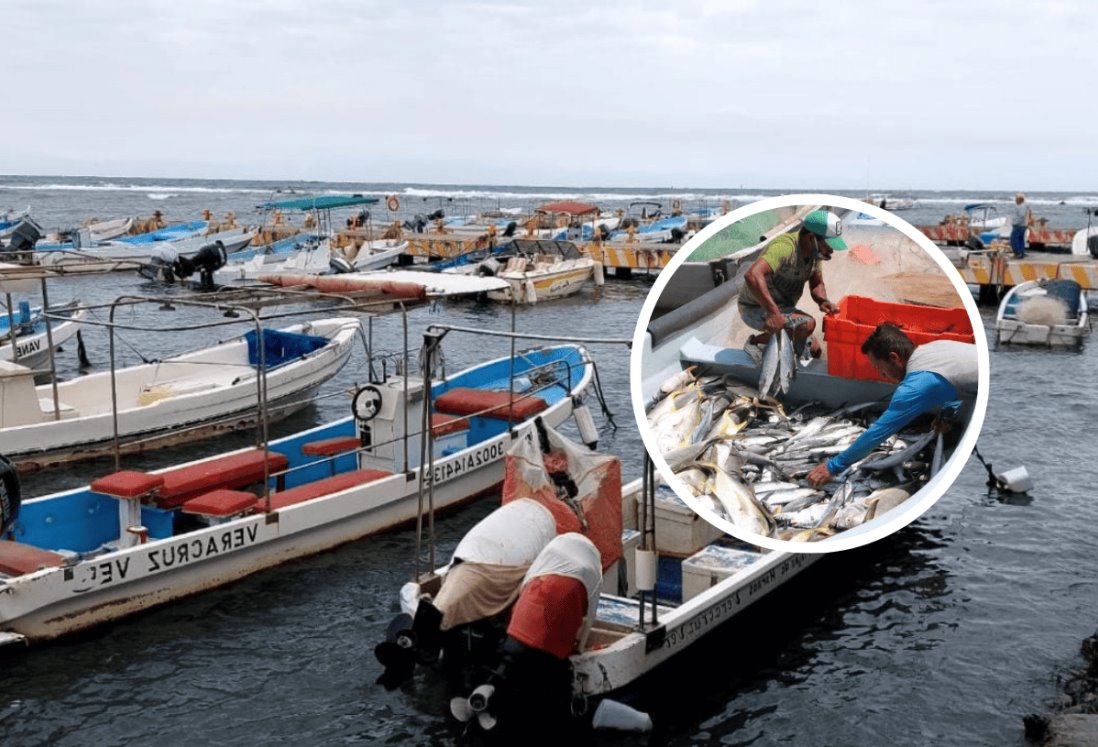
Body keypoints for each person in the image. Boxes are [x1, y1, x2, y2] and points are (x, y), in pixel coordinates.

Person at [806, 322, 978, 487]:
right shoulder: (935, 347)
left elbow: (876, 433)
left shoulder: (914, 387)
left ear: (894, 358)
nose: (882, 375)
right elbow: (955, 379)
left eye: (879, 367)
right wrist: (947, 413)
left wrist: (833, 466)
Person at [739, 209, 847, 362]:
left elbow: (816, 283)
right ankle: (754, 343)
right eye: (828, 244)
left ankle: (785, 344)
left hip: (783, 307)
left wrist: (823, 301)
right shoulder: (785, 247)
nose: (831, 249)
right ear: (811, 237)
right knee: (808, 324)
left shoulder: (815, 253)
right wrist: (773, 313)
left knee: (815, 352)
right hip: (755, 307)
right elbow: (752, 275)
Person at [1010, 192, 1032, 259]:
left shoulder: (1021, 206)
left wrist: (1015, 223)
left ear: (1019, 199)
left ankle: (1017, 253)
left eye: (1016, 199)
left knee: (1013, 239)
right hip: (1022, 225)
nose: (1015, 200)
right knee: (1020, 239)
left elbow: (1021, 216)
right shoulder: (1024, 205)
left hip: (1019, 225)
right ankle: (1021, 253)